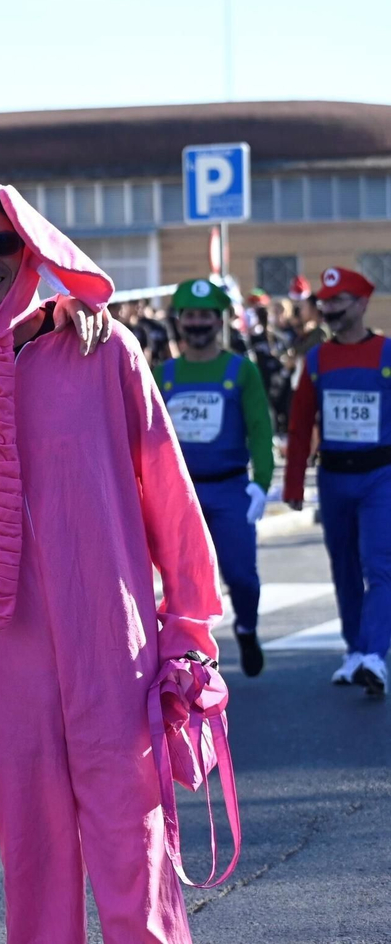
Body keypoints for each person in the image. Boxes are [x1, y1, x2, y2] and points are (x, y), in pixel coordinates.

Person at [0, 183, 223, 944]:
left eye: (0, 243)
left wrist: (190, 626)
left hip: (113, 648)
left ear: (32, 249)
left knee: (133, 847)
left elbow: (170, 497)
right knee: (33, 856)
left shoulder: (102, 348)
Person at [157, 280, 274, 678]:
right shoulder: (164, 374)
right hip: (180, 493)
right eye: (191, 315)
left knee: (241, 574)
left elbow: (260, 429)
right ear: (180, 321)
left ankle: (246, 626)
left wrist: (261, 480)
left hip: (230, 488)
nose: (198, 322)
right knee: (184, 580)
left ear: (219, 320)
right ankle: (193, 655)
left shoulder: (242, 372)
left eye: (206, 315)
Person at [284, 266, 389, 696]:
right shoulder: (316, 359)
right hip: (334, 477)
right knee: (343, 568)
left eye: (337, 302)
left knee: (380, 566)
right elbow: (299, 424)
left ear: (361, 303)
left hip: (381, 475)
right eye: (323, 302)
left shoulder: (387, 354)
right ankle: (354, 652)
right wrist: (293, 486)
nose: (327, 309)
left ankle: (374, 655)